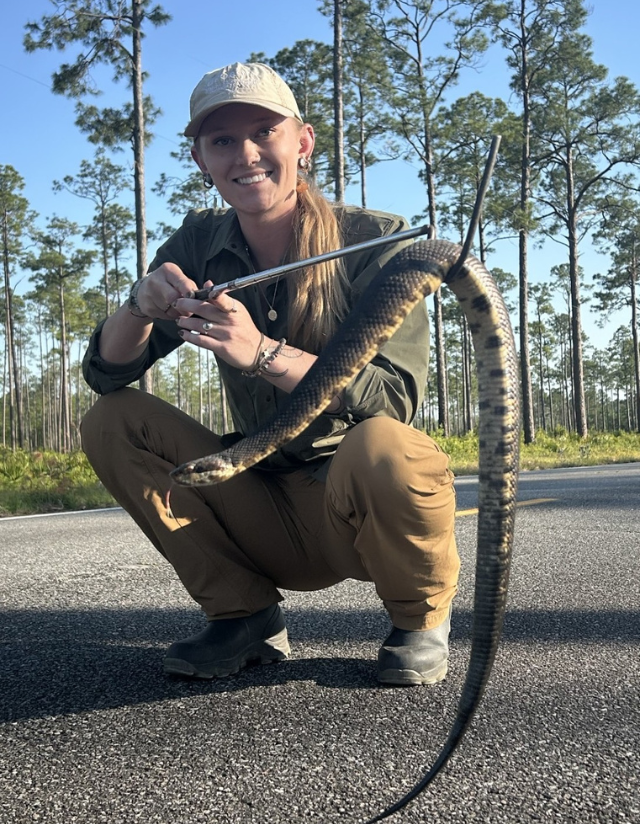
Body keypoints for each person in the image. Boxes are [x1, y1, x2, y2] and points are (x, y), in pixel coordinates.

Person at [81, 62, 460, 687]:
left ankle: (419, 619)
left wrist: (261, 351)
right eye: (223, 140)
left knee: (386, 444)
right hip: (262, 498)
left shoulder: (377, 241)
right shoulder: (199, 243)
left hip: (357, 504)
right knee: (114, 421)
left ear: (303, 142)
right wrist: (137, 306)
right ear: (201, 158)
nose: (246, 154)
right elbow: (107, 374)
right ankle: (244, 615)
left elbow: (393, 400)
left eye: (265, 131)